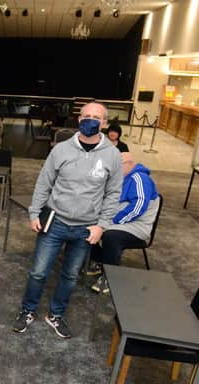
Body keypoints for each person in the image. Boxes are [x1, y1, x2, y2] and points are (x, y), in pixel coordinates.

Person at [12, 102, 123, 339]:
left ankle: (56, 315)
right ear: (78, 119)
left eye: (96, 117)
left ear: (104, 123)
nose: (91, 120)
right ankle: (27, 311)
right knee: (38, 272)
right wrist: (34, 213)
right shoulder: (61, 149)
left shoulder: (112, 156)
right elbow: (44, 183)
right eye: (86, 116)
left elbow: (113, 193)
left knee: (71, 276)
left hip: (86, 227)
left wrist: (101, 225)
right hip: (55, 221)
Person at [89, 152, 159, 292]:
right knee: (86, 225)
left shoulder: (140, 178)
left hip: (136, 226)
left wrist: (111, 222)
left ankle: (110, 277)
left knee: (111, 236)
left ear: (129, 164)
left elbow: (137, 208)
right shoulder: (121, 177)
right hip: (119, 222)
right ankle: (100, 261)